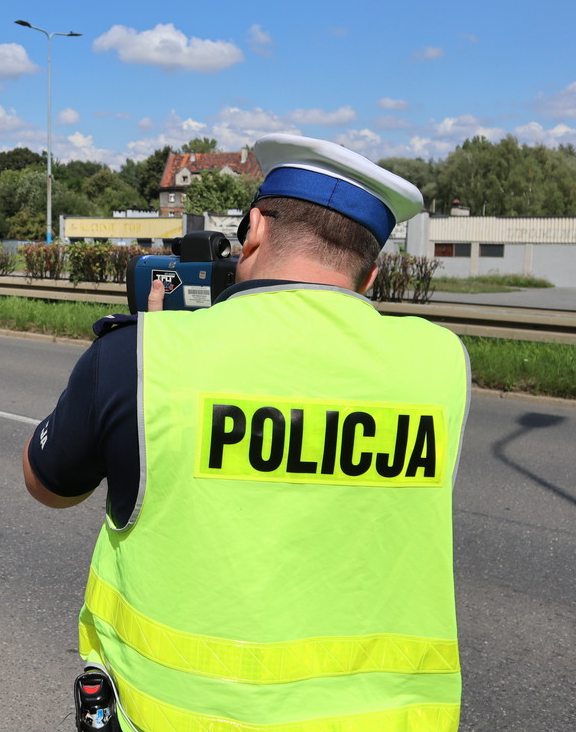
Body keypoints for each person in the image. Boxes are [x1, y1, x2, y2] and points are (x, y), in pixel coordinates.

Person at [23, 133, 470, 732]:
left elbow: (47, 482)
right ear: (372, 274)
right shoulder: (440, 364)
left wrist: (150, 346)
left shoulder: (141, 356)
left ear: (254, 227)